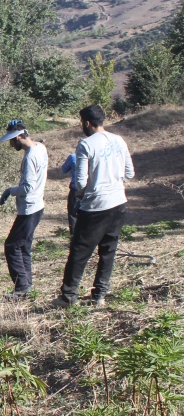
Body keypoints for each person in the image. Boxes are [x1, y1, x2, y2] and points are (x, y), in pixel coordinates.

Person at [53, 105, 134, 308]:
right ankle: (99, 294)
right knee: (108, 250)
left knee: (79, 251)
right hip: (118, 202)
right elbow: (129, 173)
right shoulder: (119, 140)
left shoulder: (86, 144)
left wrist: (82, 193)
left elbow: (80, 182)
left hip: (96, 206)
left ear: (87, 123)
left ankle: (68, 296)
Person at [0, 120, 48, 299]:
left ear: (19, 137)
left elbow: (27, 187)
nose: (11, 145)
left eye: (12, 141)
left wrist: (10, 191)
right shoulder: (40, 148)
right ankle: (27, 283)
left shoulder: (30, 157)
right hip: (38, 206)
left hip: (29, 208)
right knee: (23, 246)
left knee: (11, 246)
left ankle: (21, 287)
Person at [61, 152, 79, 236]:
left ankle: (73, 236)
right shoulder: (94, 156)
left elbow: (63, 170)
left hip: (76, 190)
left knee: (72, 213)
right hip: (90, 190)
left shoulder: (73, 157)